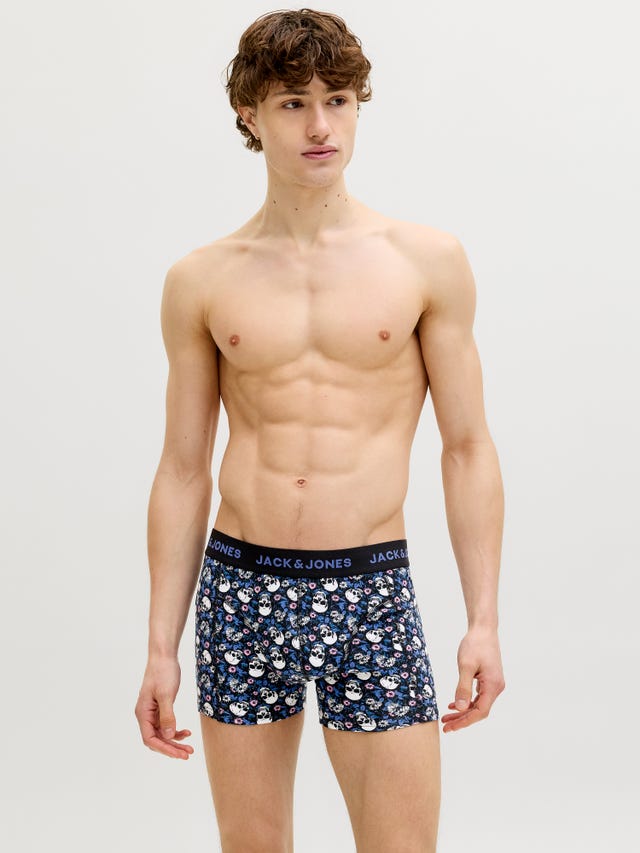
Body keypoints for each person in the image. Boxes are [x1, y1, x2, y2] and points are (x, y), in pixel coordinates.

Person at [135, 8, 505, 852]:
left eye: (337, 100)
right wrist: (160, 644)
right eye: (293, 103)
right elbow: (183, 469)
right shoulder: (201, 279)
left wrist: (483, 618)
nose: (321, 126)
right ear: (249, 114)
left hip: (369, 589)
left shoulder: (424, 261)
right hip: (242, 589)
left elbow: (467, 447)